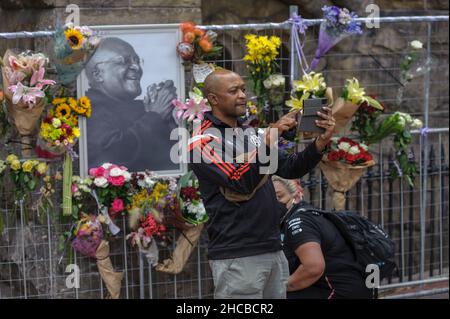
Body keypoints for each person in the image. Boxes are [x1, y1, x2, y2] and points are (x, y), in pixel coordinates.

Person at [188, 69, 336, 299]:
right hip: (238, 254)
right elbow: (240, 181)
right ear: (213, 99)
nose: (242, 95)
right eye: (233, 90)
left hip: (273, 248)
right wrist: (268, 140)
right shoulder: (202, 141)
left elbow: (291, 167)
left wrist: (320, 143)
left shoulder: (249, 133)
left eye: (243, 89)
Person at [84, 37, 178, 172]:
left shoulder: (140, 107)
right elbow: (112, 155)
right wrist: (155, 116)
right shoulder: (88, 109)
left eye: (137, 61)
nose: (136, 67)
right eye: (124, 61)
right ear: (98, 74)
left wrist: (171, 112)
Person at [273, 176, 373, 299]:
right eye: (269, 199)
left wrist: (279, 287)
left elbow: (313, 267)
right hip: (350, 286)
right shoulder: (306, 213)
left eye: (279, 197)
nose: (273, 203)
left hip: (340, 290)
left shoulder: (299, 221)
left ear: (295, 196)